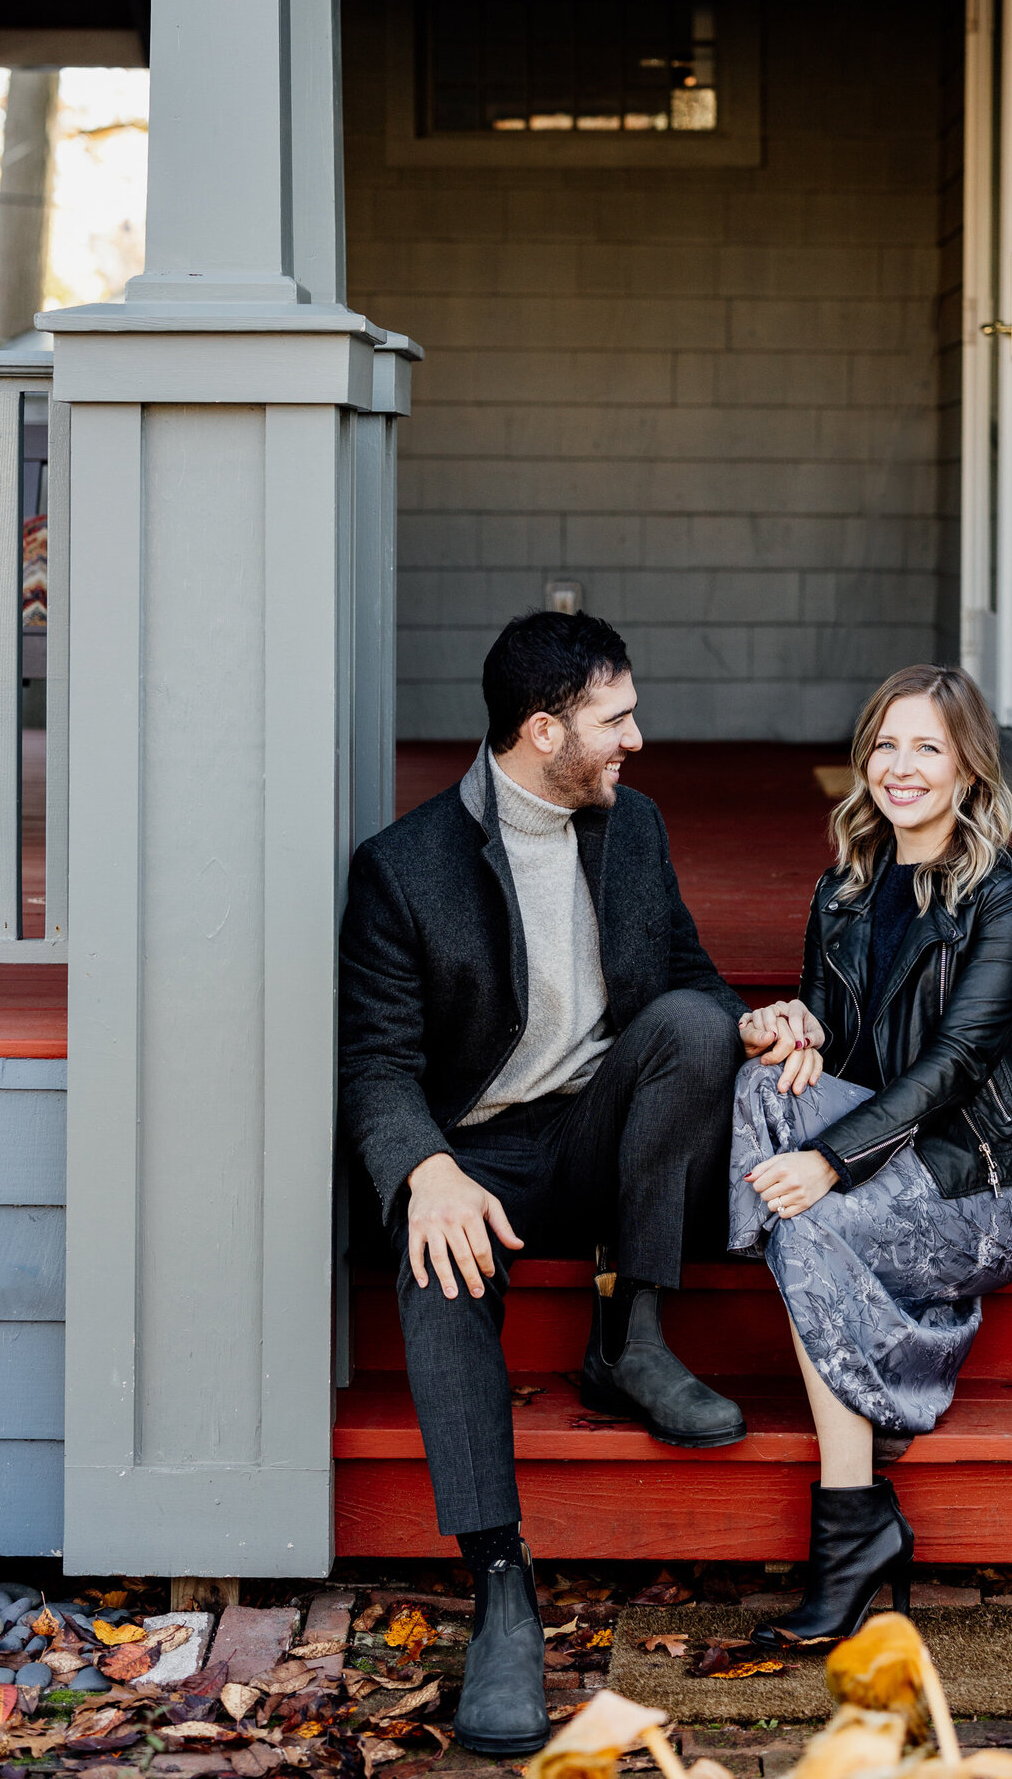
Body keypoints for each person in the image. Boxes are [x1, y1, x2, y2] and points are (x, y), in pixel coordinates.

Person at [339, 611, 787, 1759]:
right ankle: (500, 1590)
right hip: (475, 1152)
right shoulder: (405, 868)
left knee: (693, 1025)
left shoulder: (629, 827)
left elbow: (684, 974)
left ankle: (629, 1336)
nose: (637, 738)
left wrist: (756, 1020)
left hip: (595, 1140)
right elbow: (377, 1061)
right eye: (615, 718)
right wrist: (423, 1167)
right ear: (544, 732)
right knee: (435, 1261)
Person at [729, 663, 1012, 1644]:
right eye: (885, 743)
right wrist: (788, 1028)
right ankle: (838, 1317)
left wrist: (829, 1162)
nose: (901, 766)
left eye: (927, 746)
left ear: (969, 766)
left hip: (987, 1178)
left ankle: (852, 1526)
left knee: (805, 1228)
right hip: (884, 1148)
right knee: (758, 1083)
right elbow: (833, 1042)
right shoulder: (843, 886)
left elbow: (960, 1062)